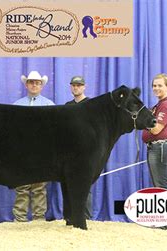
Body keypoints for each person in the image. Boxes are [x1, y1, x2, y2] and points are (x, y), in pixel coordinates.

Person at [12, 71, 55, 222]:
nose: (34, 85)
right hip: (22, 151)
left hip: (42, 151)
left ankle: (38, 218)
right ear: (26, 85)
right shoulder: (17, 105)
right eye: (31, 82)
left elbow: (54, 130)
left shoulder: (49, 105)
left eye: (37, 82)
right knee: (21, 186)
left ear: (41, 85)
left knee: (39, 187)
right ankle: (20, 218)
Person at [142, 73, 167, 190]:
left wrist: (143, 121)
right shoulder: (160, 105)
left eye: (160, 85)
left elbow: (156, 129)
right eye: (154, 85)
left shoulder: (166, 105)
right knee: (162, 184)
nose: (156, 88)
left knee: (163, 185)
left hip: (160, 147)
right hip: (157, 147)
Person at [65, 76, 92, 220]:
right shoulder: (67, 106)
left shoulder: (90, 105)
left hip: (86, 151)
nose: (76, 87)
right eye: (74, 85)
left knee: (85, 184)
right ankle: (70, 218)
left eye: (79, 85)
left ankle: (85, 217)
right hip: (69, 151)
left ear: (84, 87)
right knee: (69, 184)